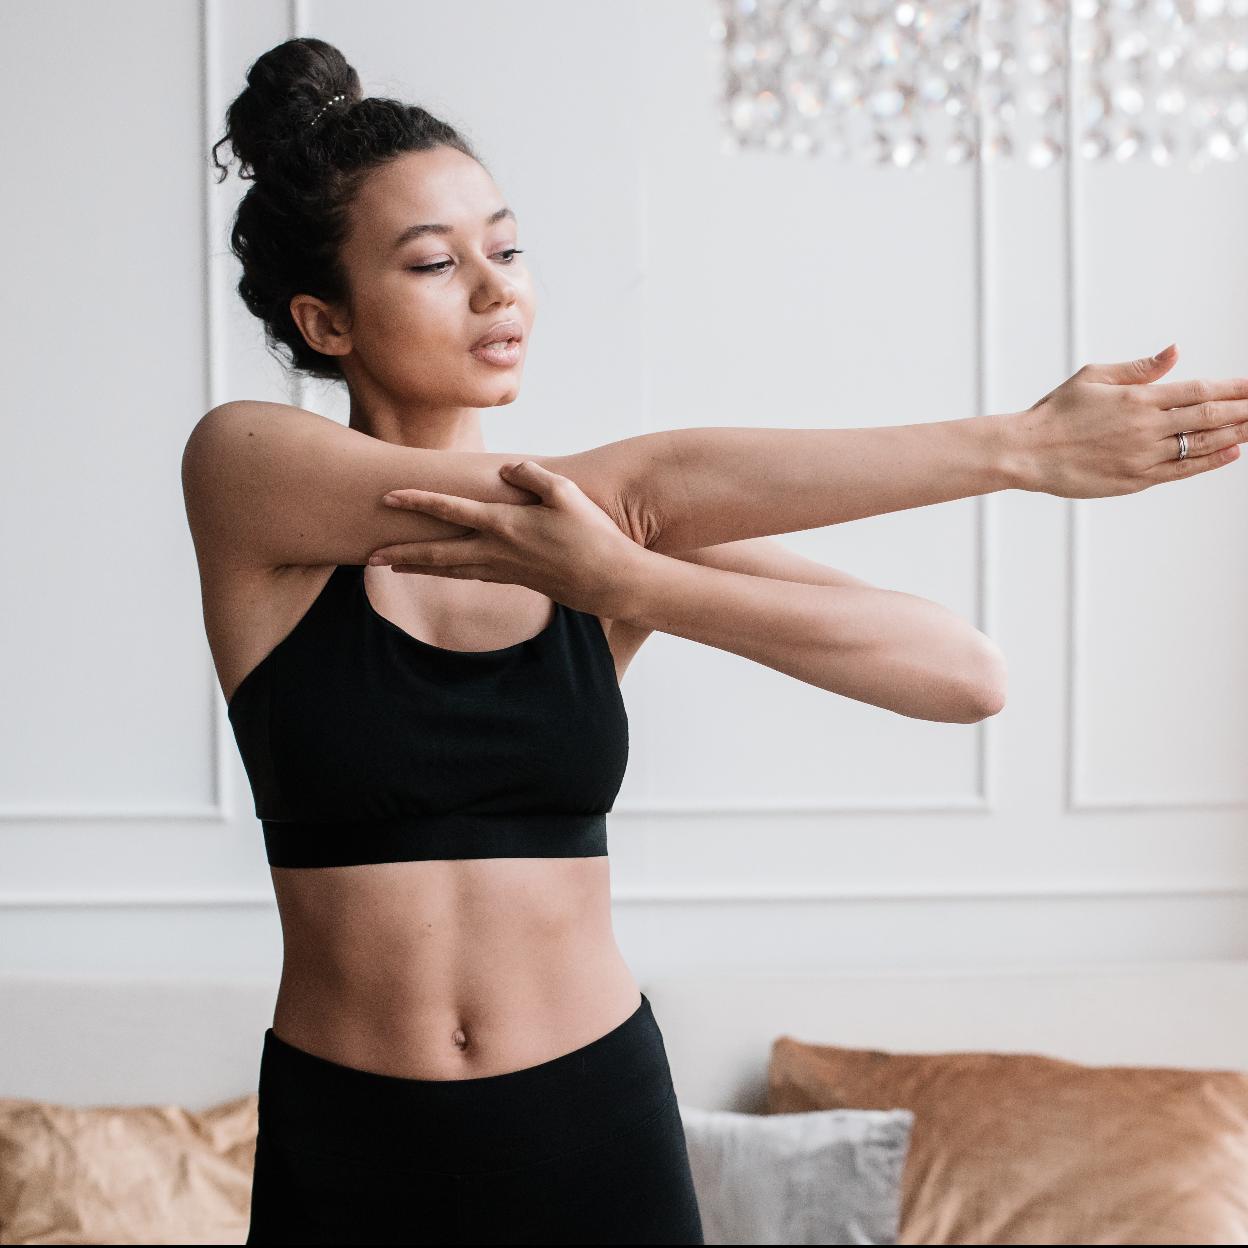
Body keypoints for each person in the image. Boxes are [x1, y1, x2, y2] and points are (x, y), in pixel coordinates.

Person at [182, 36, 1248, 1247]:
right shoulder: (245, 472)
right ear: (325, 321)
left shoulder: (614, 537)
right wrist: (1015, 448)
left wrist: (632, 583)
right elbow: (647, 479)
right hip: (349, 1145)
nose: (496, 289)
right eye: (434, 263)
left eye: (509, 248)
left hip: (593, 1125)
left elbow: (967, 675)